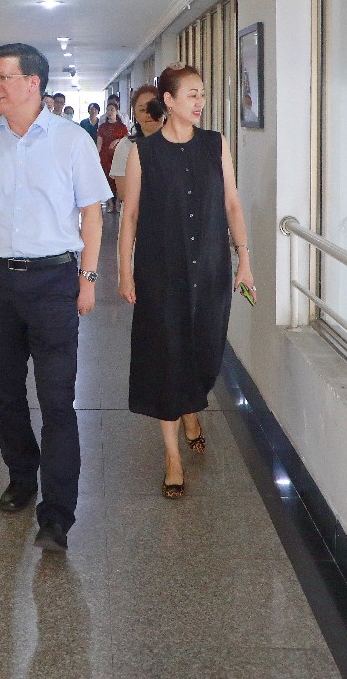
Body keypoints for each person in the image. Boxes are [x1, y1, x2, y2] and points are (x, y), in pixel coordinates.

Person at [0, 43, 111, 552]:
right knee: (7, 391)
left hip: (54, 280)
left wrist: (88, 278)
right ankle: (20, 475)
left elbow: (93, 213)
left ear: (33, 83)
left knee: (57, 399)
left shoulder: (71, 140)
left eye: (2, 78)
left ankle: (57, 514)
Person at [117, 65, 253, 499]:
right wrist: (124, 270)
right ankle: (173, 457)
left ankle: (191, 407)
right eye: (192, 94)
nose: (200, 103)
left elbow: (232, 203)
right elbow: (130, 215)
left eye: (202, 94)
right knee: (166, 356)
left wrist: (244, 260)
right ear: (169, 101)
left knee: (203, 349)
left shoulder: (215, 144)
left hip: (210, 269)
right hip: (161, 271)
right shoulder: (144, 152)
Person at [110, 84, 162, 211]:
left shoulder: (178, 144)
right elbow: (123, 193)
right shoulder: (126, 146)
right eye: (142, 110)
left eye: (154, 108)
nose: (148, 114)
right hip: (138, 216)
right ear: (135, 114)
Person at [95, 100, 128, 211]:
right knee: (106, 178)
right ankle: (109, 203)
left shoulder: (122, 126)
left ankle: (118, 201)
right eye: (108, 110)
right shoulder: (102, 127)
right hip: (105, 156)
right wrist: (96, 157)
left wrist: (117, 140)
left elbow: (126, 140)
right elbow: (99, 143)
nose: (109, 112)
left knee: (118, 178)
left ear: (117, 112)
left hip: (118, 155)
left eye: (112, 110)